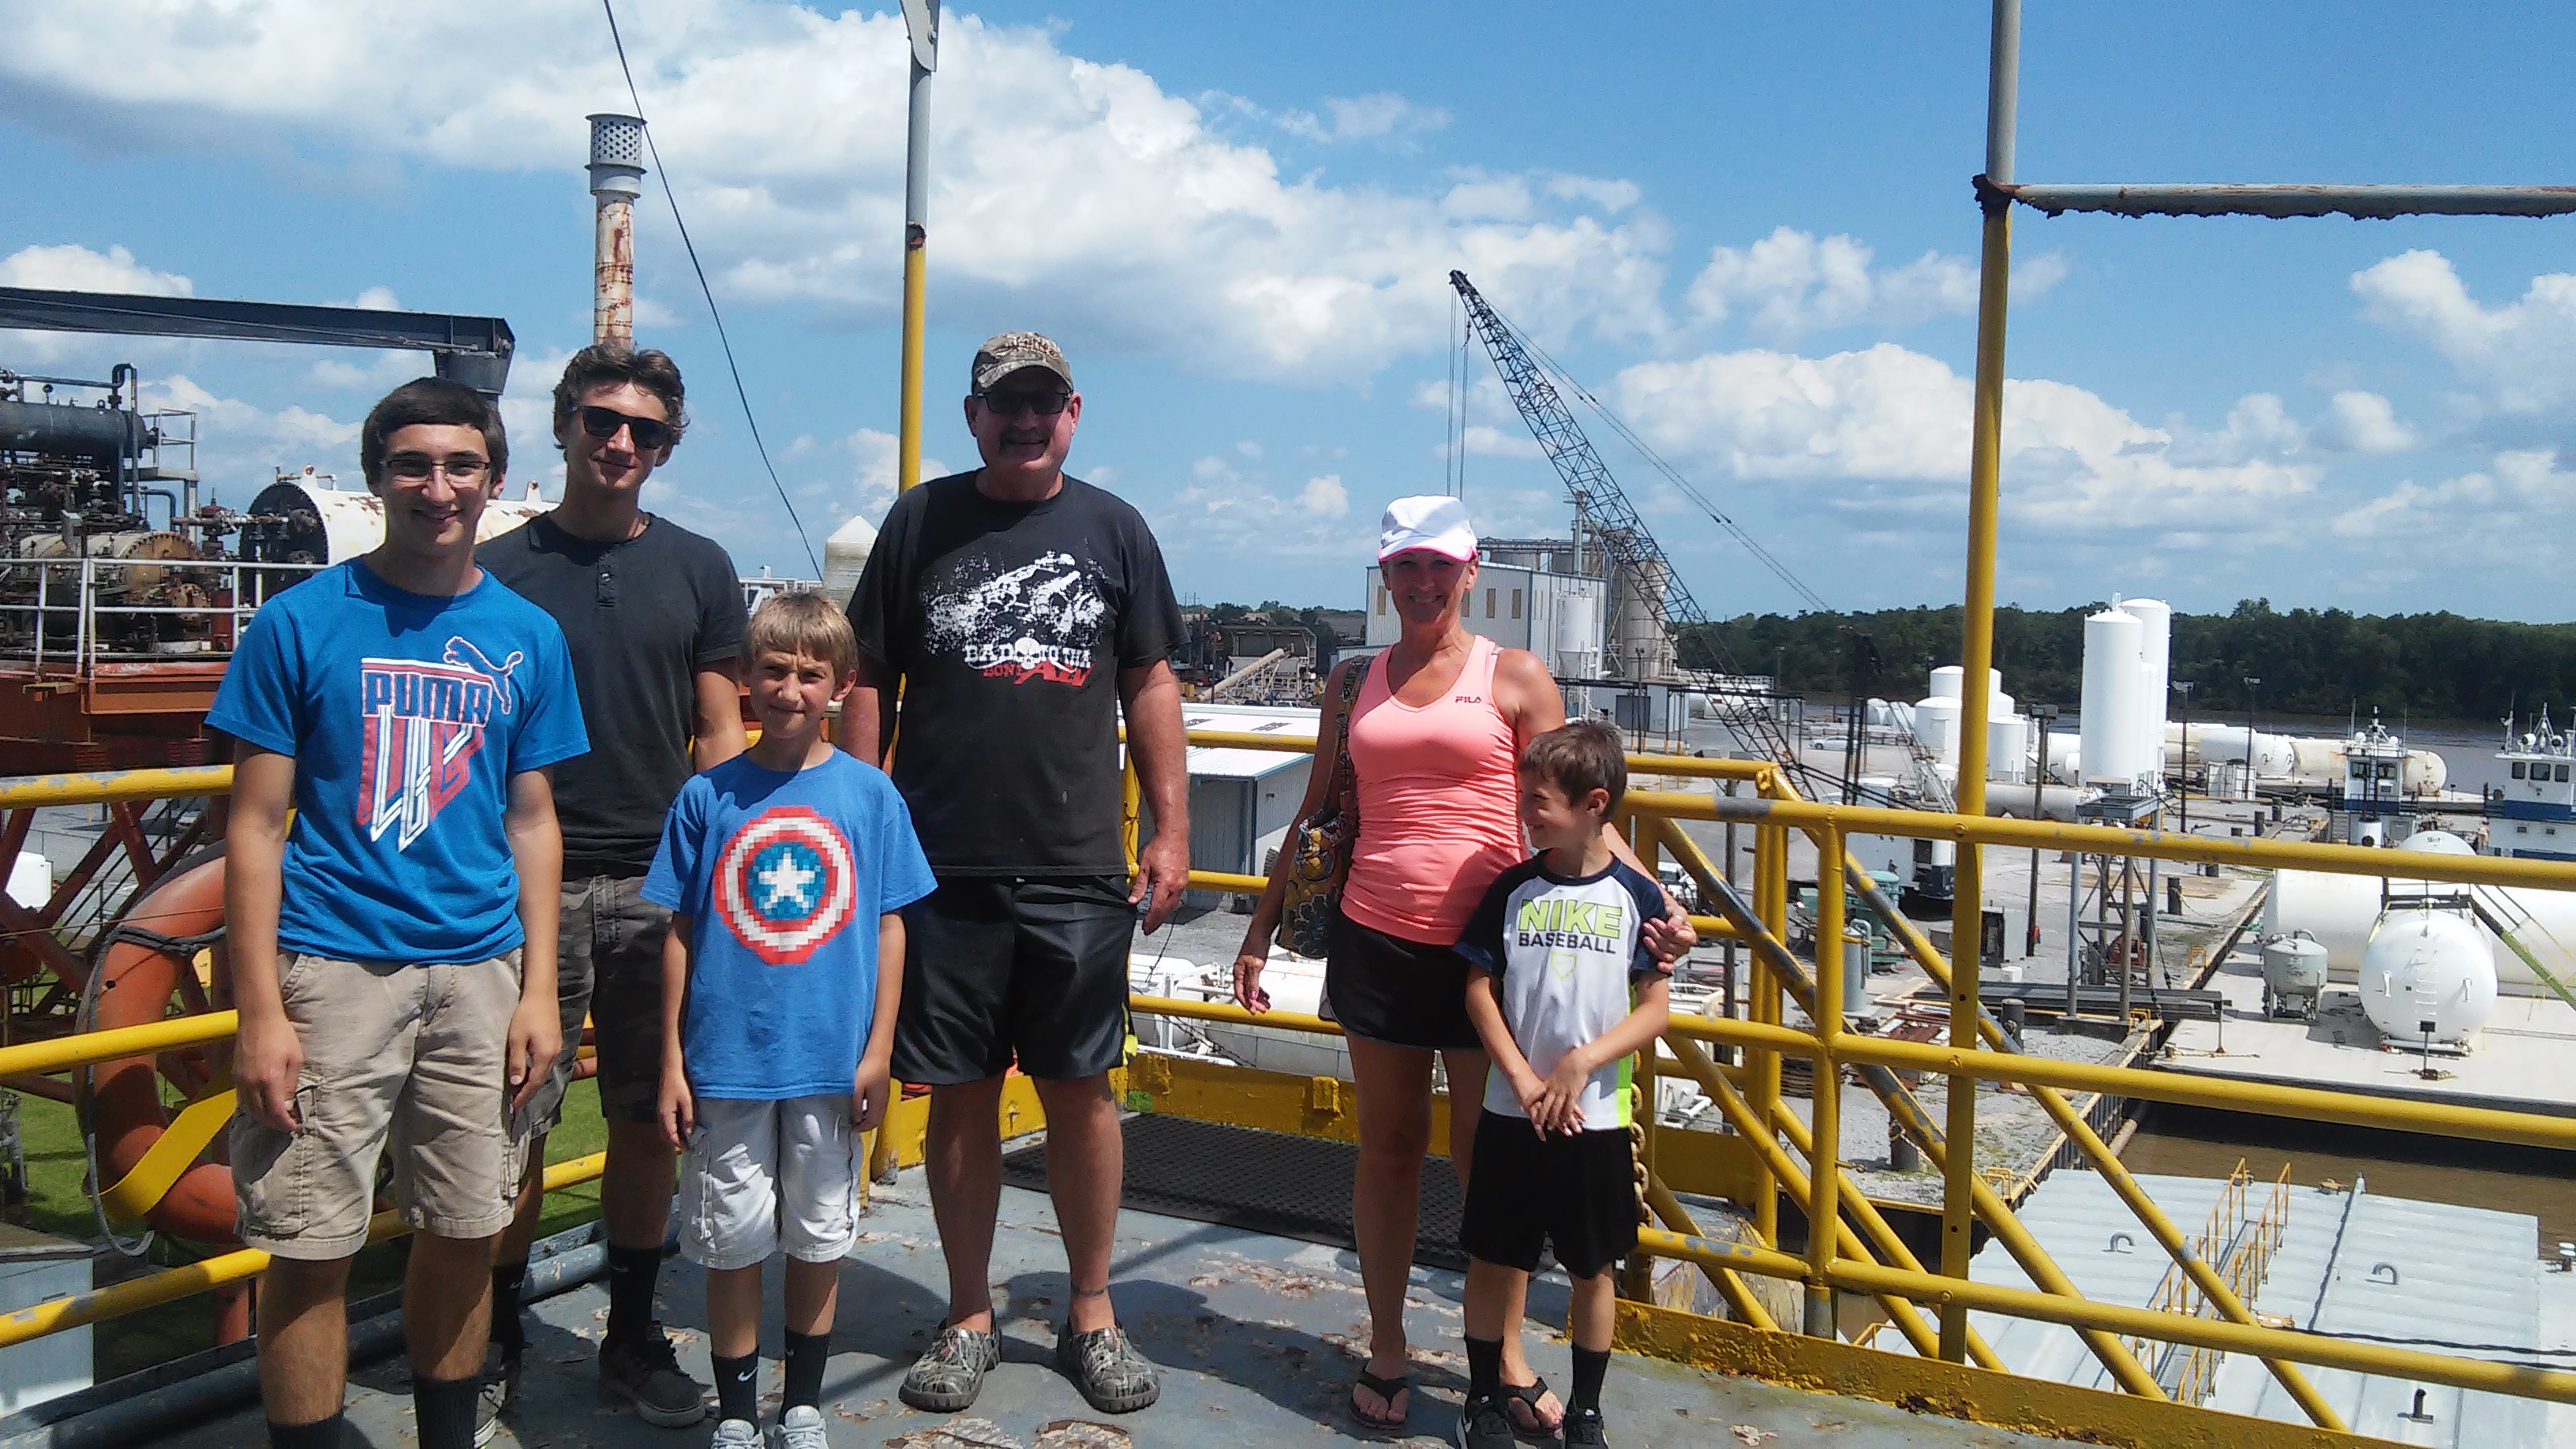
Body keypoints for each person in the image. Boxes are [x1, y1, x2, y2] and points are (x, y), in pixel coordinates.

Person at [1230, 496, 1689, 1434]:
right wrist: (1258, 928)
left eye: (1440, 565)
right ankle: (1388, 1343)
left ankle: (1505, 1353)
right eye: (1406, 566)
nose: (1423, 583)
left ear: (1470, 571)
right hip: (1375, 937)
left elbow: (1580, 812)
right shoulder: (1352, 681)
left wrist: (1658, 904)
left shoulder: (1513, 676)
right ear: (1385, 575)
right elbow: (1318, 812)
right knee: (1390, 1148)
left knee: (1494, 1160)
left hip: (1494, 954)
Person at [214, 378, 586, 1449]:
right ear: (377, 479)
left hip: (479, 974)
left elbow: (531, 819)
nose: (438, 487)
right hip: (334, 970)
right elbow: (256, 825)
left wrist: (537, 992)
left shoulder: (526, 635)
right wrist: (259, 1013)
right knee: (311, 1243)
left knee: (466, 1229)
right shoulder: (298, 623)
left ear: (494, 478)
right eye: (413, 465)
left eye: (461, 465)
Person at [841, 331, 1187, 1417]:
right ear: (973, 416)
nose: (1025, 421)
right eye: (1006, 404)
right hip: (937, 865)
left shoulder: (1116, 528)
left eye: (1045, 403)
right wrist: (858, 811)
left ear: (1073, 414)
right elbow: (869, 675)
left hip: (1077, 866)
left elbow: (1151, 681)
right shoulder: (919, 520)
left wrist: (1170, 829)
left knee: (1082, 1093)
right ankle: (967, 1313)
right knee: (961, 1096)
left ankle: (1093, 1310)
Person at [477, 344, 748, 1432]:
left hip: (658, 881)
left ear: (666, 448)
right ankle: (492, 1337)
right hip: (518, 886)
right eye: (601, 420)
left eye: (644, 429)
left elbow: (718, 731)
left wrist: (727, 872)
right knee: (513, 1118)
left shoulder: (698, 568)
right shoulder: (495, 569)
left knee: (648, 1116)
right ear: (564, 426)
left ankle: (630, 1339)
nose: (620, 442)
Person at [650, 592, 937, 1449]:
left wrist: (879, 1049)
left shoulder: (871, 798)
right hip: (724, 1063)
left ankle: (801, 1404)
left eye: (811, 675)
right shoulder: (706, 797)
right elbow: (681, 930)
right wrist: (672, 1060)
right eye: (773, 670)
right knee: (731, 1240)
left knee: (818, 1236)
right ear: (745, 676)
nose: (789, 690)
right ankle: (738, 1413)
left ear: (841, 686)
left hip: (829, 1060)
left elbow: (891, 926)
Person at [1454, 721, 1673, 1449]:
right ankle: (1483, 1399)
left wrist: (1581, 1064)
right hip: (1510, 1112)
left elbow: (1655, 1009)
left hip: (1595, 1120)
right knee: (1494, 1259)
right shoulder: (1513, 890)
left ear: (1594, 804)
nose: (1525, 812)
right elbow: (1479, 991)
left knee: (1592, 1268)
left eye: (1539, 801)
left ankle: (1586, 1411)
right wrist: (1520, 1075)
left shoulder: (1636, 898)